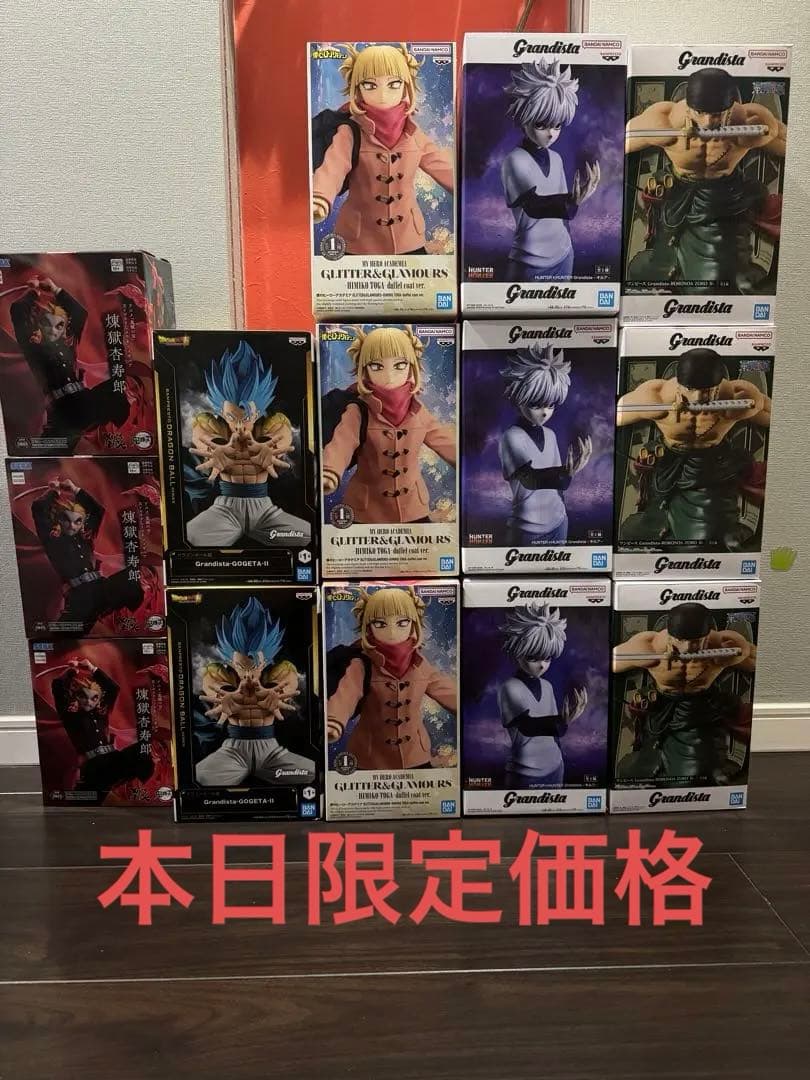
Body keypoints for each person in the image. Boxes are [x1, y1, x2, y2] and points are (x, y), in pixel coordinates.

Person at [625, 67, 787, 291]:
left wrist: (764, 134)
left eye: (718, 114)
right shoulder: (665, 122)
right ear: (689, 107)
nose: (709, 121)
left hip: (722, 197)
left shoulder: (750, 121)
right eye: (700, 112)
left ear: (730, 107)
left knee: (714, 281)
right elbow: (617, 141)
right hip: (678, 192)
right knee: (658, 264)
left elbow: (789, 146)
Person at [617, 347, 770, 546]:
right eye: (689, 389)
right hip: (667, 462)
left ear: (718, 385)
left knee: (702, 542)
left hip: (709, 468)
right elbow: (610, 414)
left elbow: (777, 417)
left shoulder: (736, 397)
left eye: (706, 391)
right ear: (679, 384)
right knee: (637, 533)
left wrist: (753, 406)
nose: (698, 398)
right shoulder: (656, 397)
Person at [311, 43, 454, 255]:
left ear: (406, 86)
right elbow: (333, 168)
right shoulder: (350, 131)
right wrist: (320, 197)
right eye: (370, 85)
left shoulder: (413, 132)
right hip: (359, 241)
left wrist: (469, 191)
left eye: (394, 84)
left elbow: (440, 165)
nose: (383, 94)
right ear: (357, 89)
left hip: (408, 238)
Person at [322, 326, 455, 524]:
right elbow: (342, 444)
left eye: (400, 365)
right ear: (365, 370)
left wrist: (469, 463)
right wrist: (329, 472)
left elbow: (444, 441)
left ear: (412, 367)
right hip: (367, 511)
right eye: (377, 366)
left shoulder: (418, 411)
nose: (389, 376)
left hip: (413, 508)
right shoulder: (358, 410)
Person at [613, 602, 755, 783]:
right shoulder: (650, 647)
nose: (688, 648)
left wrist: (738, 654)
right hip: (660, 707)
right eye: (680, 640)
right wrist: (642, 660)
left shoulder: (724, 645)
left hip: (698, 710)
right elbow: (607, 663)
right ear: (670, 636)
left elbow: (754, 663)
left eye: (695, 641)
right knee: (638, 771)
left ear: (707, 635)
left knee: (695, 776)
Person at [187, 340, 311, 547]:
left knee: (306, 537)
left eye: (246, 418)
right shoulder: (212, 425)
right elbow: (201, 435)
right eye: (231, 417)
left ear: (258, 411)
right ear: (221, 411)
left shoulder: (272, 424)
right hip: (224, 510)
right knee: (190, 537)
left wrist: (270, 450)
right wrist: (213, 450)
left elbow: (283, 433)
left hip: (265, 511)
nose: (239, 425)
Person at [326, 587, 456, 770]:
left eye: (402, 623)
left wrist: (468, 710)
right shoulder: (361, 663)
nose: (392, 632)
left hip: (415, 755)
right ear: (368, 627)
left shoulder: (419, 664)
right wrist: (334, 721)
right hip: (370, 758)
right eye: (380, 624)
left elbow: (445, 689)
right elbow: (346, 694)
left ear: (413, 624)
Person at [195, 596, 316, 786]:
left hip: (272, 752)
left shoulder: (281, 671)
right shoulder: (218, 673)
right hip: (233, 751)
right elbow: (211, 685)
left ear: (266, 660)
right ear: (230, 661)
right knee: (200, 776)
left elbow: (289, 682)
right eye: (241, 666)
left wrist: (275, 696)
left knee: (312, 773)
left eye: (254, 666)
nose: (248, 674)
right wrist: (224, 697)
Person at [501, 59, 600, 282]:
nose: (551, 133)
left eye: (557, 125)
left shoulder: (556, 159)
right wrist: (572, 199)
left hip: (564, 255)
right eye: (541, 125)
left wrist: (573, 202)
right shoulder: (514, 161)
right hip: (529, 261)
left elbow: (564, 216)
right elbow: (534, 205)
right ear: (524, 119)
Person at [10, 276, 130, 449]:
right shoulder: (34, 349)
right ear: (40, 326)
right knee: (47, 455)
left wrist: (55, 289)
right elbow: (17, 311)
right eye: (47, 324)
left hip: (84, 402)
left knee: (117, 388)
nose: (53, 330)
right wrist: (33, 292)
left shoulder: (68, 344)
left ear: (64, 330)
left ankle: (123, 440)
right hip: (63, 412)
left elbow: (79, 313)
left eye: (59, 326)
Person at [498, 344, 591, 545]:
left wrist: (570, 472)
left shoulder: (551, 435)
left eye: (551, 405)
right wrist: (565, 471)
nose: (545, 412)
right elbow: (530, 479)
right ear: (518, 399)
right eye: (536, 404)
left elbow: (561, 485)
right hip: (526, 528)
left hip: (559, 522)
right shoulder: (511, 437)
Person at [31, 476, 144, 632]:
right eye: (66, 520)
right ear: (59, 521)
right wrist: (54, 491)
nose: (72, 525)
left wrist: (75, 490)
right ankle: (96, 617)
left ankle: (121, 619)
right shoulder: (53, 539)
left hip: (100, 588)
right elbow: (38, 508)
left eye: (77, 521)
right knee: (62, 634)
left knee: (131, 581)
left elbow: (98, 510)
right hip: (80, 596)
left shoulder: (85, 535)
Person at [498, 604, 587, 788]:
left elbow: (557, 733)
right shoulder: (510, 687)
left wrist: (565, 721)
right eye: (533, 658)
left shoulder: (547, 687)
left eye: (547, 658)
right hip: (524, 773)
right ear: (517, 653)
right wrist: (561, 719)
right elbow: (527, 726)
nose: (542, 665)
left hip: (556, 768)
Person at [51, 658, 153, 792]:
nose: (89, 702)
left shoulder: (101, 713)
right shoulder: (71, 716)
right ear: (77, 697)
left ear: (99, 700)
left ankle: (139, 789)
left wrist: (92, 668)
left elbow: (113, 688)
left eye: (94, 698)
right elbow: (57, 686)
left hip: (113, 759)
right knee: (92, 790)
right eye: (84, 696)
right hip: (94, 766)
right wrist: (71, 671)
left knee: (142, 748)